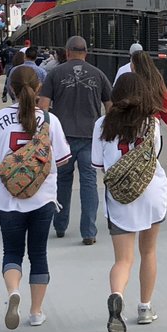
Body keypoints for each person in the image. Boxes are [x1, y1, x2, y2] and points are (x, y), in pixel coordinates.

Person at [0, 65, 72, 328]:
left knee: (11, 251)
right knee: (38, 253)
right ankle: (36, 311)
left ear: (10, 88)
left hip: (8, 198)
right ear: (39, 88)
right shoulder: (49, 120)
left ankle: (13, 292)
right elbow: (62, 159)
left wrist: (7, 178)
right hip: (42, 198)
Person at [94, 72, 167, 332]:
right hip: (151, 192)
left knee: (123, 259)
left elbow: (99, 165)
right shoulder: (152, 123)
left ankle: (117, 296)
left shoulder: (103, 124)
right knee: (148, 252)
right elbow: (154, 156)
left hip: (119, 197)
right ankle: (145, 307)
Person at [39, 36, 112, 245]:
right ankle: (88, 231)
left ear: (67, 51)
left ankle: (60, 224)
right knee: (89, 182)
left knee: (62, 180)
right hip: (90, 136)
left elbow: (43, 106)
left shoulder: (55, 73)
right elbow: (110, 106)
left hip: (63, 138)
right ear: (86, 53)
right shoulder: (98, 74)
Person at [126, 50, 167, 147]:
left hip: (134, 128)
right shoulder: (156, 82)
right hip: (153, 128)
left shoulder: (131, 83)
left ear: (135, 65)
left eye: (131, 63)